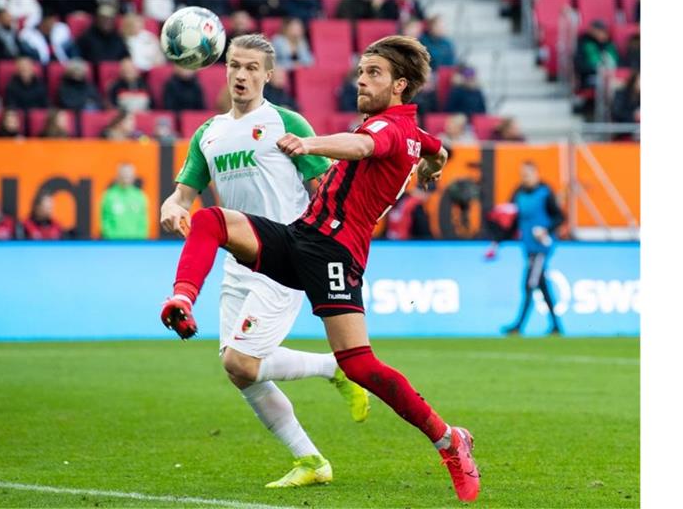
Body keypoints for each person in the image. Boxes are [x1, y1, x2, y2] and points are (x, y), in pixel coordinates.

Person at [160, 35, 480, 502]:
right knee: (211, 220)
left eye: (374, 74)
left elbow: (362, 147)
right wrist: (436, 162)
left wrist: (308, 142)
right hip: (301, 235)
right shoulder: (410, 130)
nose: (361, 80)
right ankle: (181, 299)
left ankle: (450, 440)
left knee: (361, 365)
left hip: (336, 253)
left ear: (400, 86)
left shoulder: (386, 130)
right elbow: (435, 146)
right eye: (361, 71)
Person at [158, 33, 369, 489]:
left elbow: (329, 191)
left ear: (268, 75)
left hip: (286, 257)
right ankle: (311, 459)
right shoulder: (208, 134)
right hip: (238, 262)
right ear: (224, 67)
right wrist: (173, 207)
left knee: (244, 361)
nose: (241, 74)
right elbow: (182, 195)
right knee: (238, 370)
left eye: (253, 67)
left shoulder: (286, 122)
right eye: (235, 65)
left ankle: (333, 370)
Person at [488, 161, 564, 336]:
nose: (525, 178)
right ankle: (556, 326)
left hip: (541, 247)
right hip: (528, 246)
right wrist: (499, 240)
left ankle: (519, 325)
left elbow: (559, 217)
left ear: (536, 174)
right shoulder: (519, 193)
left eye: (527, 175)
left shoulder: (545, 192)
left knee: (530, 283)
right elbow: (513, 221)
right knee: (542, 285)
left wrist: (546, 230)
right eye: (522, 175)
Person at [100, 163, 149, 239]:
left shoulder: (139, 196)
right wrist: (111, 237)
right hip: (114, 243)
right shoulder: (109, 196)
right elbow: (105, 221)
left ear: (133, 177)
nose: (125, 177)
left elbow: (143, 221)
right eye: (123, 174)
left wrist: (140, 239)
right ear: (117, 176)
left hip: (136, 243)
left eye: (128, 175)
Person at [574, 20, 619, 94]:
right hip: (590, 77)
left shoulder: (610, 44)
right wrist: (598, 69)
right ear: (592, 30)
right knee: (606, 84)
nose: (602, 33)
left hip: (612, 76)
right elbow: (579, 65)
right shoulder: (583, 43)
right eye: (599, 30)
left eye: (603, 31)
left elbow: (619, 62)